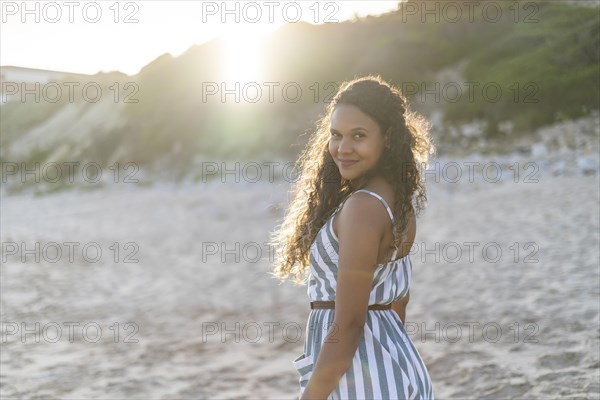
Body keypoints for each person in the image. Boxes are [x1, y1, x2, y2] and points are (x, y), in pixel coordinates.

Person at [269, 75, 435, 399]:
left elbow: (349, 325)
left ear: (387, 138)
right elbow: (398, 300)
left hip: (364, 380)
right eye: (336, 135)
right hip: (390, 369)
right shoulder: (394, 200)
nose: (343, 148)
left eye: (358, 136)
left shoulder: (363, 208)